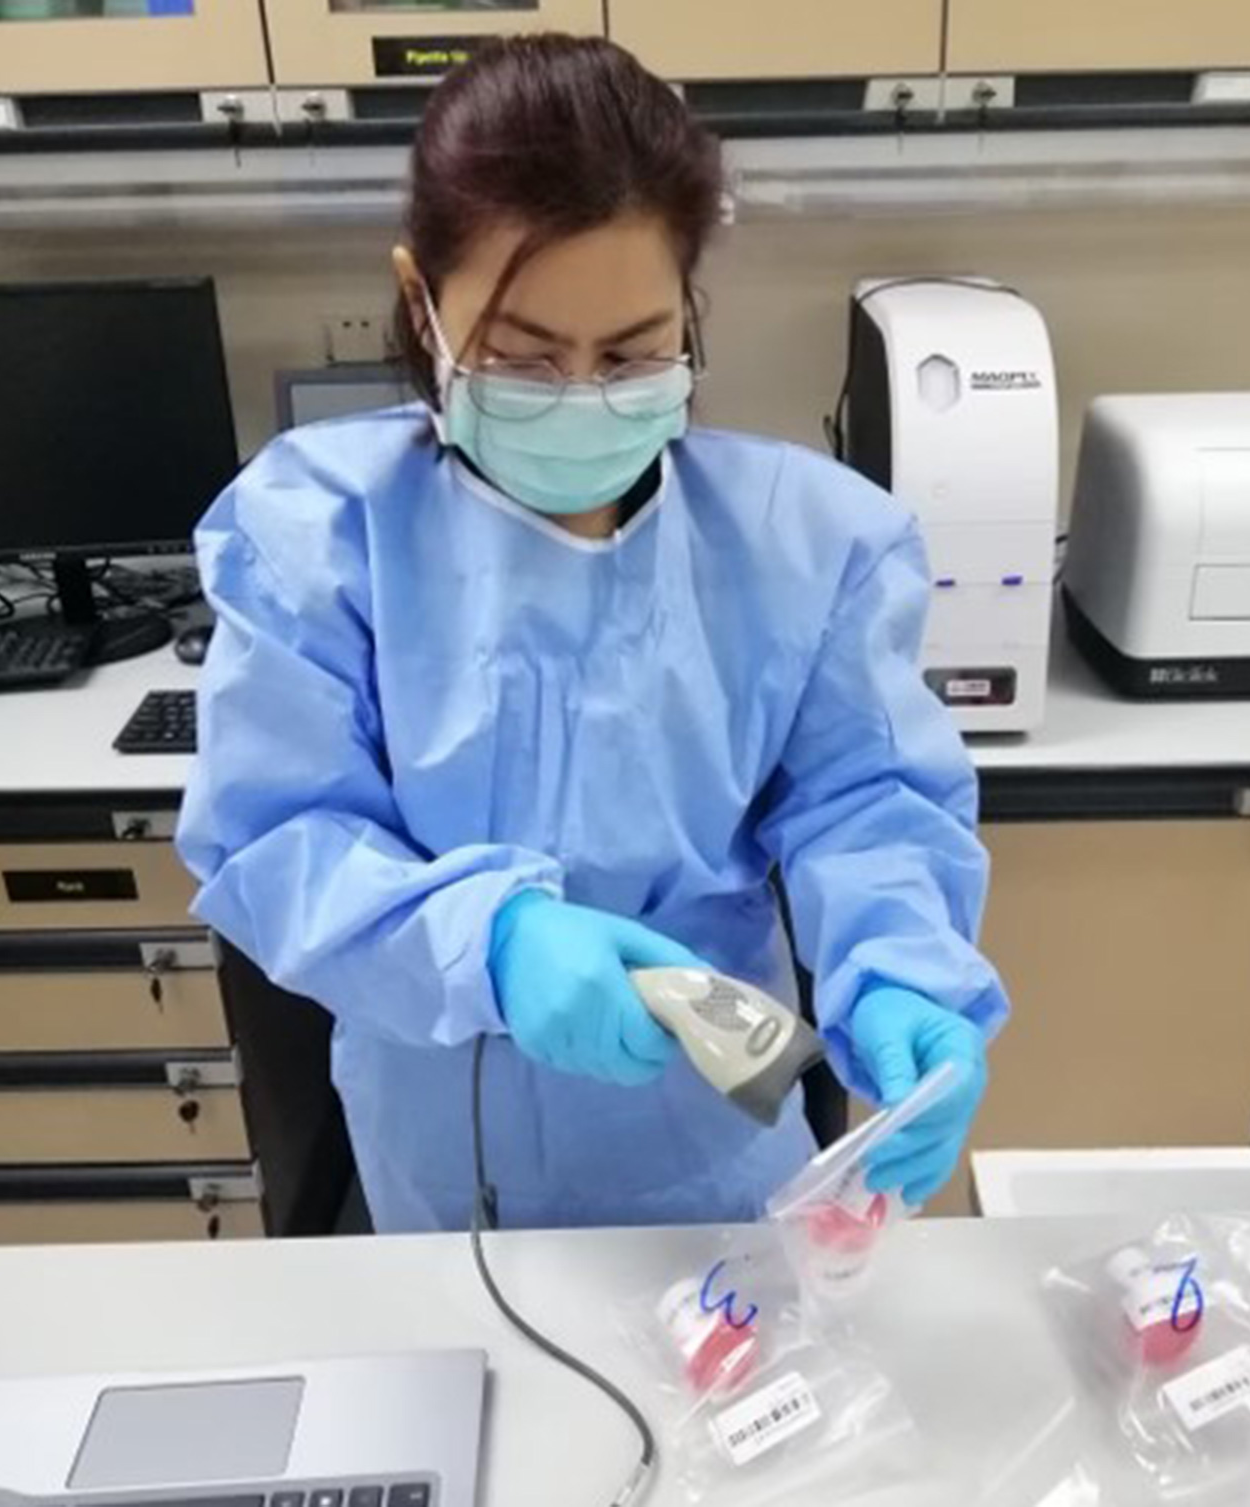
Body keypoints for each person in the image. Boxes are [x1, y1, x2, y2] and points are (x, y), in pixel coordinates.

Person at [176, 34, 1009, 1233]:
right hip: (437, 1183)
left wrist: (902, 978)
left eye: (630, 353)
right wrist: (495, 939)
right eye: (522, 359)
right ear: (421, 297)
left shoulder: (809, 545)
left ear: (689, 311)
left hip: (710, 1171)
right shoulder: (320, 533)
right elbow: (277, 840)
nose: (582, 394)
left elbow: (863, 808)